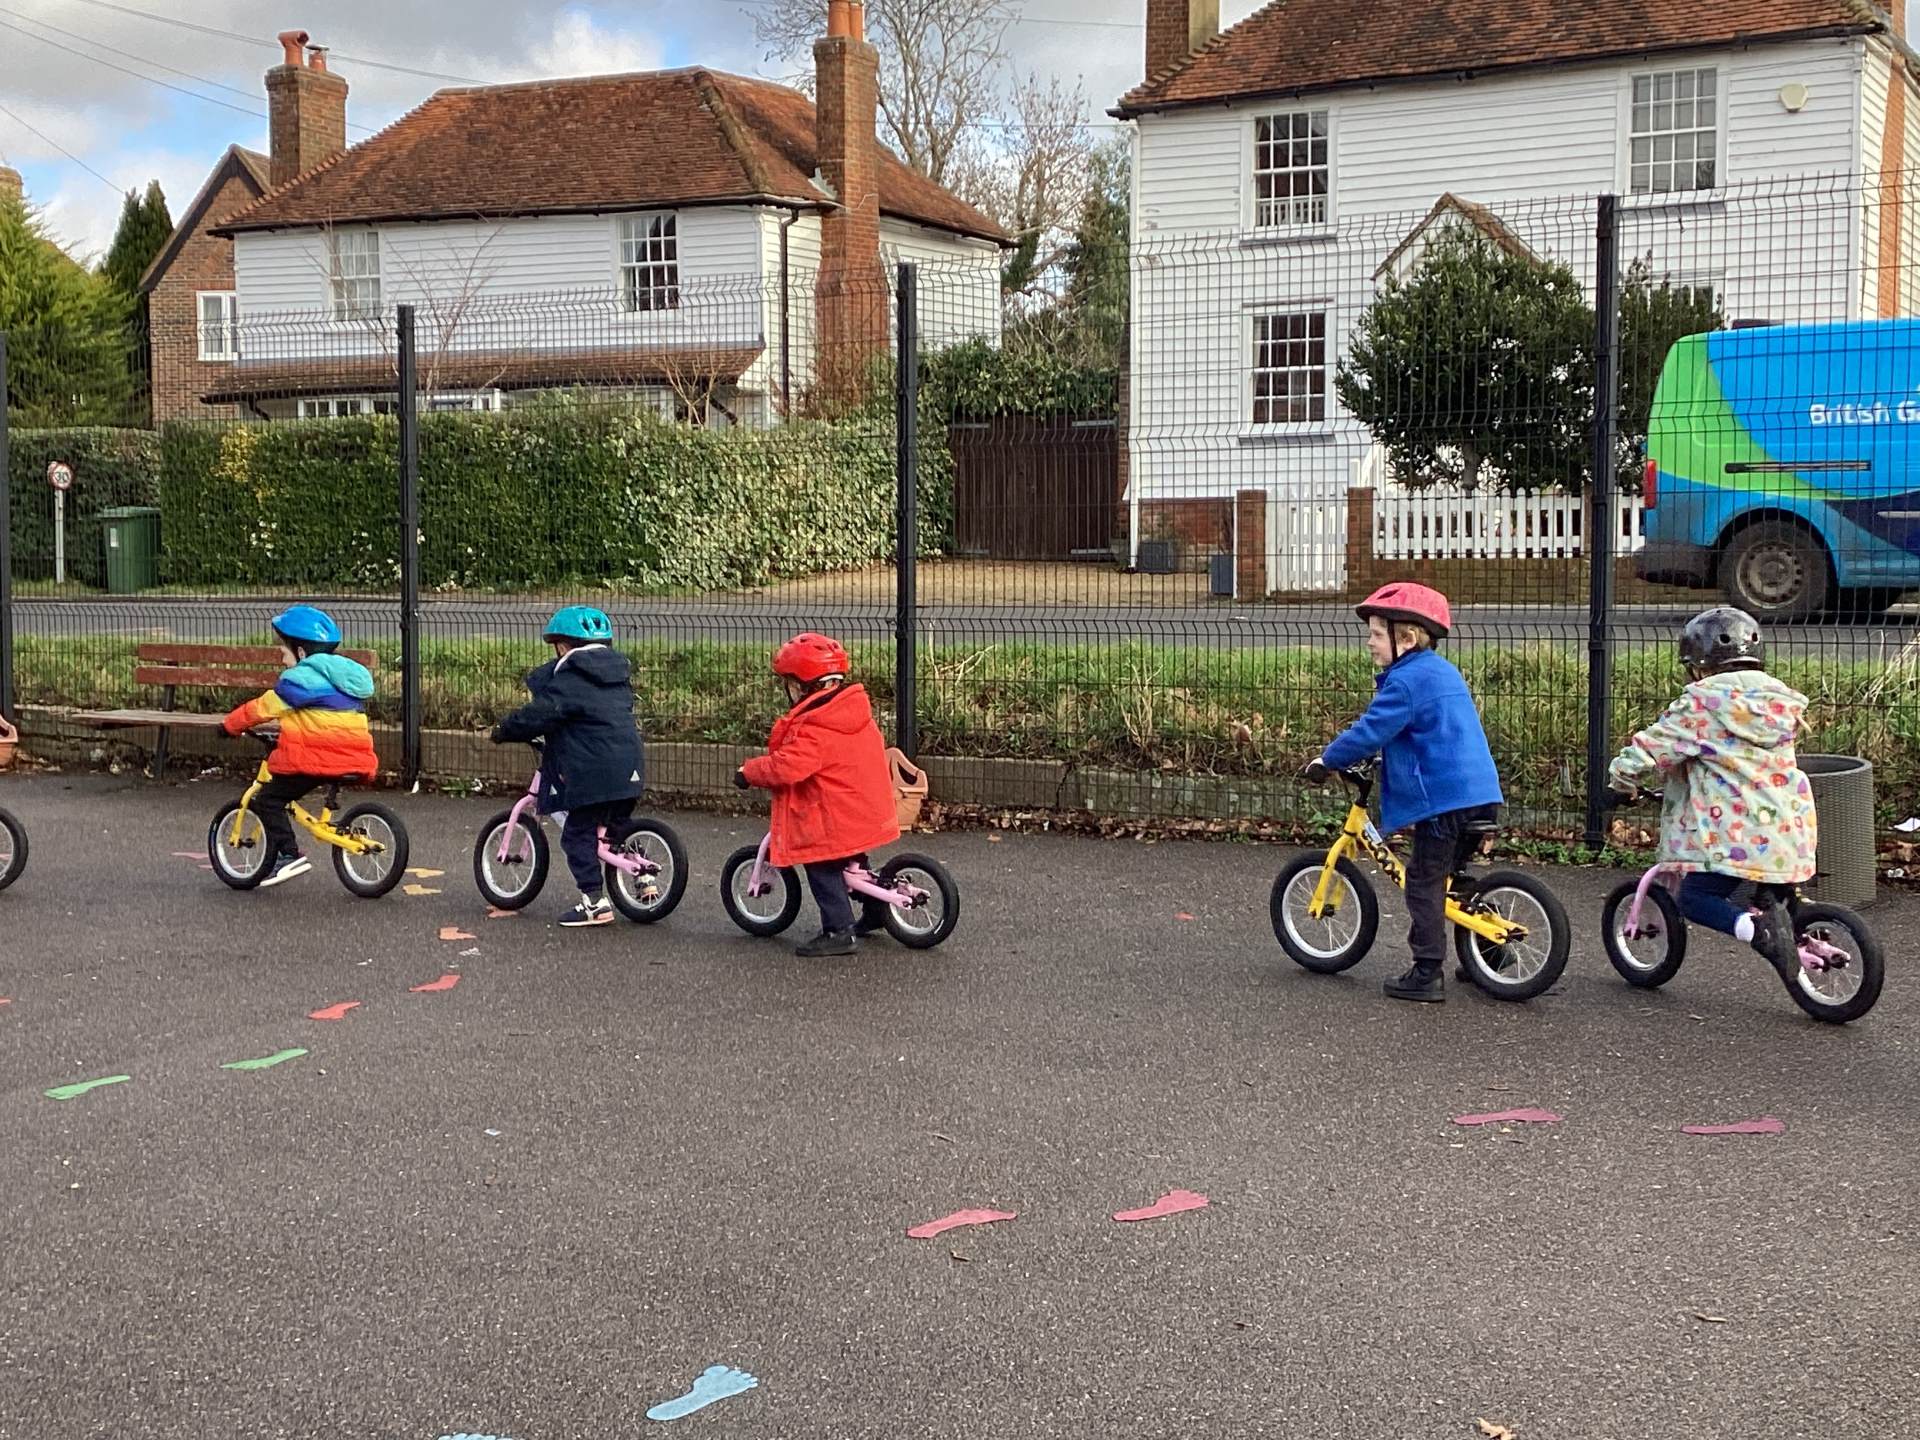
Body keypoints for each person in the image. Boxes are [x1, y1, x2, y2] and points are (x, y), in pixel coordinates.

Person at [1306, 582, 1504, 1003]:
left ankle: (1427, 971)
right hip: (1481, 792)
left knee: (1422, 880)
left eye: (1377, 634)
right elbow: (1431, 733)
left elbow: (1370, 730)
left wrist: (1328, 759)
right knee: (1453, 876)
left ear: (1407, 639)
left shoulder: (1404, 683)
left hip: (1445, 800)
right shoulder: (1442, 672)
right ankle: (1489, 954)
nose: (1370, 643)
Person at [1607, 605, 1815, 974]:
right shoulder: (1779, 703)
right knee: (1773, 893)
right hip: (1788, 831)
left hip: (1733, 835)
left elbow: (1653, 747)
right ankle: (1803, 934)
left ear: (1699, 667)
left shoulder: (1702, 704)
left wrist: (1621, 779)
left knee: (1695, 897)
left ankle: (1755, 930)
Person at [735, 632, 899, 957]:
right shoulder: (854, 714)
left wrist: (749, 772)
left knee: (821, 863)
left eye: (789, 684)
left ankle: (839, 930)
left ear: (802, 686)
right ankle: (876, 910)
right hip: (867, 810)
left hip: (837, 818)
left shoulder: (815, 728)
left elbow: (787, 767)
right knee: (853, 863)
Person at [490, 605, 645, 927]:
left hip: (593, 771)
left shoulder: (570, 678)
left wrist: (505, 730)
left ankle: (594, 902)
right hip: (630, 765)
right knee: (614, 825)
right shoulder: (617, 678)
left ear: (562, 646)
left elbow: (541, 714)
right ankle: (643, 876)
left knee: (577, 833)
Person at [221, 604, 379, 888]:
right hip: (355, 757)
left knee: (269, 800)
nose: (282, 659)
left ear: (302, 653)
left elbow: (263, 708)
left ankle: (288, 855)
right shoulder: (345, 678)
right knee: (300, 785)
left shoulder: (300, 680)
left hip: (317, 759)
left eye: (284, 652)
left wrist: (229, 725)